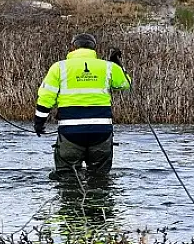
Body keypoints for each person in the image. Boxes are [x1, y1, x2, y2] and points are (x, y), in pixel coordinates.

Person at [34, 33, 130, 176]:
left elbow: (46, 97)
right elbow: (126, 84)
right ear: (94, 48)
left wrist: (39, 123)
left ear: (73, 47)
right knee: (100, 178)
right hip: (101, 132)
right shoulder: (108, 67)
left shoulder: (59, 67)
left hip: (70, 132)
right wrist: (118, 65)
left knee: (67, 177)